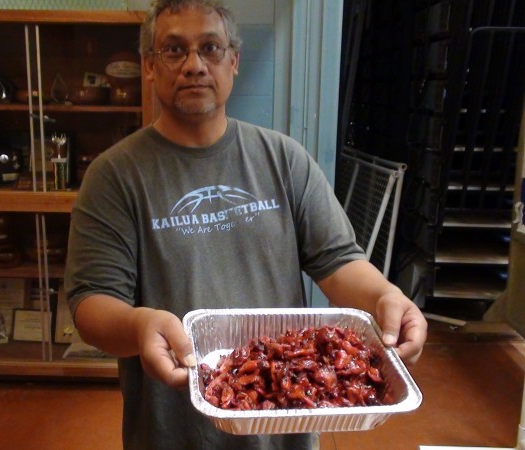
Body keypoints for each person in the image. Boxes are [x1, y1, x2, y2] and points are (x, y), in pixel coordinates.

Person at [64, 1, 428, 449]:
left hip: (284, 426)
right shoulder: (115, 175)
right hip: (174, 431)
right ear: (149, 66)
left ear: (234, 61)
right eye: (174, 50)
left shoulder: (284, 159)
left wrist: (385, 297)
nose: (194, 65)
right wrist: (140, 325)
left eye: (210, 48)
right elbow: (91, 304)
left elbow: (338, 261)